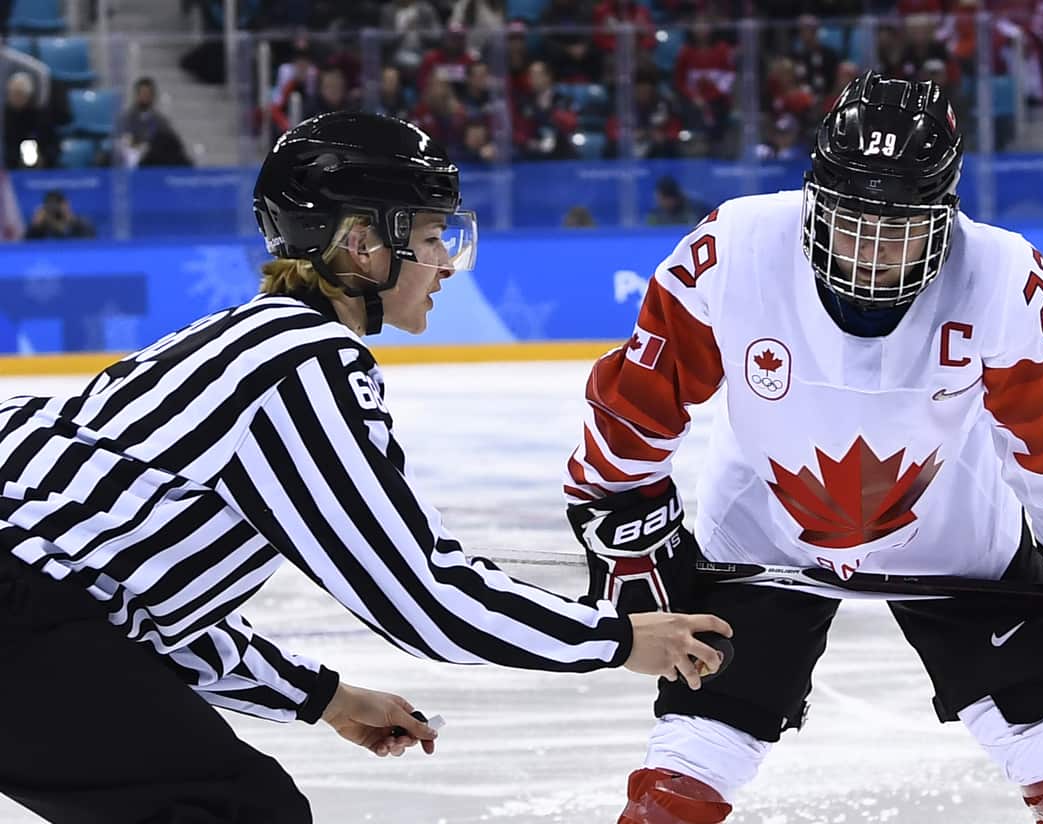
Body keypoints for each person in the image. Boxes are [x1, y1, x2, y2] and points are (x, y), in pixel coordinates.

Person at [0, 112, 731, 824]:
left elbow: (131, 614)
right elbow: (423, 592)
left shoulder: (232, 342)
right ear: (360, 244)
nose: (446, 262)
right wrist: (621, 638)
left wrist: (326, 697)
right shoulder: (303, 365)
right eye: (430, 236)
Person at [563, 71, 1043, 823]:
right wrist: (630, 532)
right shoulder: (733, 247)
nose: (871, 250)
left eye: (900, 228)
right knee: (704, 737)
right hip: (765, 535)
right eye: (851, 218)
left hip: (955, 541)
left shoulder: (1005, 277)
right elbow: (636, 409)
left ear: (945, 215)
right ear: (812, 197)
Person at [23, 189, 94, 239]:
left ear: (65, 204)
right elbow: (26, 245)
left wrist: (71, 219)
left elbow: (89, 241)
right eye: (50, 204)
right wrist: (35, 226)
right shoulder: (42, 225)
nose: (54, 208)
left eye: (57, 203)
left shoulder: (79, 223)